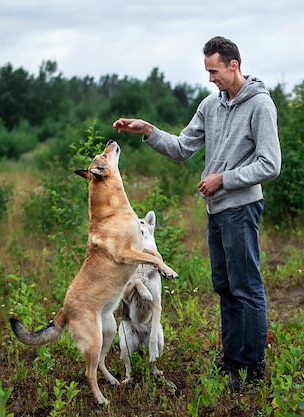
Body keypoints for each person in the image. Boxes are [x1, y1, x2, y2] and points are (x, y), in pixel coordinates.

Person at [112, 35, 281, 391]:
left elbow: (270, 164)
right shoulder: (211, 106)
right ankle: (232, 362)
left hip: (241, 207)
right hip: (217, 211)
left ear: (233, 65)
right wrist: (148, 131)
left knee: (246, 287)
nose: (210, 78)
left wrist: (224, 179)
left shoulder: (260, 106)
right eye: (207, 71)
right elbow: (181, 148)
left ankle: (252, 369)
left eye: (214, 71)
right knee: (224, 287)